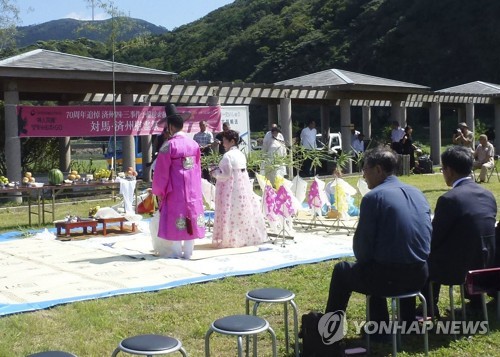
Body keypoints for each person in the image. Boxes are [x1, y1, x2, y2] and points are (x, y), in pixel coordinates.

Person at [325, 146, 431, 334]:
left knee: (344, 270)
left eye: (365, 169)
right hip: (420, 276)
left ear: (378, 170)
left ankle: (330, 329)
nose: (364, 175)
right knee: (386, 260)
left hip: (388, 279)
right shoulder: (418, 193)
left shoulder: (373, 198)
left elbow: (362, 250)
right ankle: (401, 323)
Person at [423, 146, 497, 315]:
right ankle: (477, 303)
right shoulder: (488, 195)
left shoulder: (449, 199)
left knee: (425, 259)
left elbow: (434, 238)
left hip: (458, 270)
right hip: (487, 265)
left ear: (449, 170)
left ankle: (428, 307)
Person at [152, 104, 205, 259]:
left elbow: (161, 173)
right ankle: (188, 253)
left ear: (169, 126)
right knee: (192, 214)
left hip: (175, 189)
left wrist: (159, 191)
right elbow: (197, 169)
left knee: (177, 215)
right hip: (193, 189)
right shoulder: (194, 144)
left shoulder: (168, 145)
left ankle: (176, 254)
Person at [211, 129, 268, 248]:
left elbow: (225, 174)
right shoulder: (241, 154)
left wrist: (214, 172)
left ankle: (230, 239)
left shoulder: (228, 156)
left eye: (225, 141)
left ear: (232, 141)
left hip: (229, 189)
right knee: (242, 211)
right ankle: (244, 237)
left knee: (229, 211)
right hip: (242, 187)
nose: (223, 143)